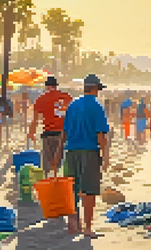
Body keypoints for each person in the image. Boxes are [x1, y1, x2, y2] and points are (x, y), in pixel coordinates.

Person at [53, 74, 109, 238]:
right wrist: (105, 157)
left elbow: (64, 133)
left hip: (70, 152)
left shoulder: (73, 105)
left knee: (72, 190)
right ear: (95, 88)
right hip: (89, 152)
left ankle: (73, 225)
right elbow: (101, 136)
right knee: (89, 191)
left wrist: (58, 154)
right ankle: (88, 228)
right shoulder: (97, 106)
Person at [31, 76, 73, 177]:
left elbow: (35, 120)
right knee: (62, 161)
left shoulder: (41, 99)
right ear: (56, 86)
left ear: (46, 87)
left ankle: (48, 182)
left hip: (48, 133)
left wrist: (31, 133)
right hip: (63, 133)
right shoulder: (67, 97)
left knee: (47, 163)